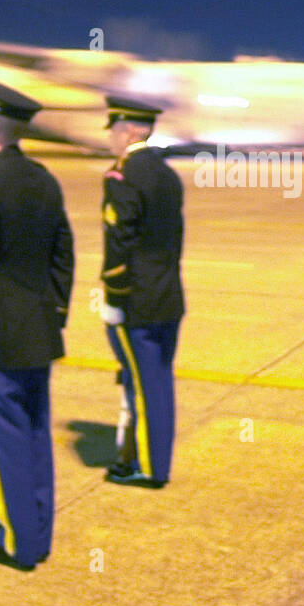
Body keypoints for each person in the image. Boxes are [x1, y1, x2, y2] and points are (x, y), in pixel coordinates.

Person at [0, 77, 74, 569]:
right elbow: (63, 254)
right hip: (40, 332)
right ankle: (39, 535)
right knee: (35, 438)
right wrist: (55, 313)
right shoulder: (45, 178)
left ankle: (19, 545)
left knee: (7, 448)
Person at [99, 96, 184, 488]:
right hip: (168, 295)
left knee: (144, 385)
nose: (112, 138)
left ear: (130, 130)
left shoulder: (123, 175)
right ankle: (146, 456)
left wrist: (115, 297)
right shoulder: (168, 174)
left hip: (137, 301)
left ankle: (148, 468)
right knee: (159, 382)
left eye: (115, 130)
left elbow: (120, 242)